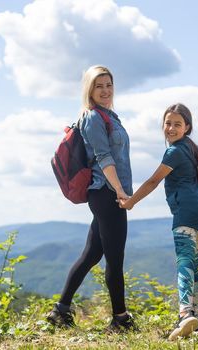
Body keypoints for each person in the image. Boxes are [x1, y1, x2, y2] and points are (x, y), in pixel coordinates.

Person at [119, 103, 198, 340]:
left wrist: (131, 201)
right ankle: (197, 317)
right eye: (168, 123)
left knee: (184, 262)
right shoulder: (188, 148)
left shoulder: (174, 152)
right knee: (192, 264)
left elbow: (154, 181)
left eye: (177, 124)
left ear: (187, 127)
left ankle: (186, 314)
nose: (171, 128)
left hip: (185, 213)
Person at [46, 65, 136, 332]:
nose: (106, 90)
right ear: (89, 90)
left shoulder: (109, 116)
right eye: (99, 86)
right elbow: (103, 158)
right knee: (115, 258)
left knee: (90, 255)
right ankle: (120, 319)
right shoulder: (93, 118)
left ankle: (60, 310)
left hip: (107, 194)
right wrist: (120, 191)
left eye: (109, 85)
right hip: (107, 194)